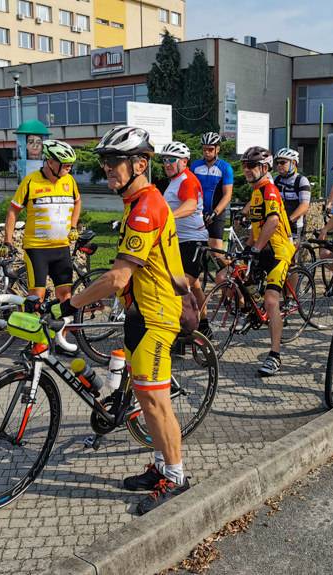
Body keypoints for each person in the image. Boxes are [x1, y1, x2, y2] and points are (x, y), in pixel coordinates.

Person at [48, 125, 192, 514]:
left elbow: (117, 278)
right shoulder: (136, 202)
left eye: (116, 161)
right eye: (106, 162)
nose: (108, 168)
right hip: (139, 312)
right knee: (144, 398)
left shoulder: (147, 206)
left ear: (141, 164)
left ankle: (176, 477)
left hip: (156, 315)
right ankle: (161, 464)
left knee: (156, 401)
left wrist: (69, 304)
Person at [2, 139, 81, 353]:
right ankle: (36, 343)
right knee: (36, 297)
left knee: (66, 296)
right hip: (37, 249)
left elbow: (78, 201)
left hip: (61, 247)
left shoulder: (69, 181)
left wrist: (74, 225)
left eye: (70, 165)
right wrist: (7, 240)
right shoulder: (30, 182)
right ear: (50, 162)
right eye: (65, 164)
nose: (69, 168)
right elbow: (12, 211)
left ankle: (61, 340)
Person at [238, 146, 295, 376]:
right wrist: (250, 246)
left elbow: (271, 222)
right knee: (242, 277)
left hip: (279, 251)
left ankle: (275, 355)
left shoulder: (269, 190)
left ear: (264, 167)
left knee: (272, 301)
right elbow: (257, 225)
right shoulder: (256, 192)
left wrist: (257, 247)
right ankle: (255, 312)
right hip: (264, 248)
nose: (246, 170)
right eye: (245, 166)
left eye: (251, 166)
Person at [160, 141, 209, 331]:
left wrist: (167, 218)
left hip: (192, 241)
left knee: (177, 288)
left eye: (172, 159)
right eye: (165, 160)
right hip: (177, 241)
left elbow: (189, 205)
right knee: (195, 286)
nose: (167, 164)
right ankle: (204, 325)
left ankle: (180, 330)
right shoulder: (174, 181)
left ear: (184, 162)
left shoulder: (187, 180)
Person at [192, 132, 234, 264]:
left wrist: (215, 213)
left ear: (217, 149)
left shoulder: (225, 167)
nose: (207, 152)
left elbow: (227, 195)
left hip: (217, 212)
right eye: (204, 149)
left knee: (216, 250)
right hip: (198, 212)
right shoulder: (195, 166)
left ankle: (231, 275)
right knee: (195, 248)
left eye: (210, 149)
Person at [273, 147, 311, 244]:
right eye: (277, 163)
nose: (279, 165)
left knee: (291, 256)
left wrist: (289, 220)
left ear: (293, 163)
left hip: (294, 225)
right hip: (277, 224)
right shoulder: (276, 180)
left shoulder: (301, 180)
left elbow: (304, 205)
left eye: (283, 162)